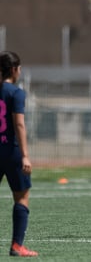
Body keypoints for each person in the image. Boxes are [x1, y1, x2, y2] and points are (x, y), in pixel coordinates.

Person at [0, 51, 38, 257]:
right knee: (21, 198)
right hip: (12, 152)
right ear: (14, 70)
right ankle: (17, 245)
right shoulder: (16, 93)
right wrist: (25, 155)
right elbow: (19, 124)